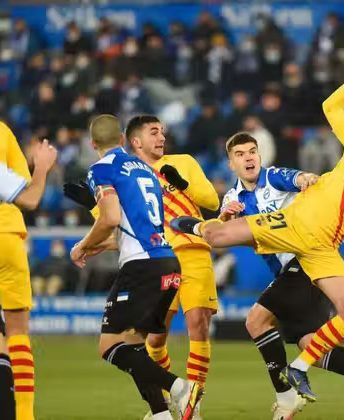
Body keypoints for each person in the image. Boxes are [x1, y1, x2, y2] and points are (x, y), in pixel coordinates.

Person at [171, 62, 344, 418]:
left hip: (321, 250)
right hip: (294, 225)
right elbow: (331, 107)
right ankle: (188, 225)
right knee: (217, 234)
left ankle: (300, 372)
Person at [219, 132, 344, 419]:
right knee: (312, 348)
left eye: (252, 151)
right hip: (291, 271)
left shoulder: (273, 177)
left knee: (256, 320)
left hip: (306, 257)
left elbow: (296, 178)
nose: (249, 157)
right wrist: (226, 218)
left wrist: (305, 179)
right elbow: (226, 230)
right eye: (241, 154)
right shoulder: (232, 198)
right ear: (231, 164)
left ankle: (285, 399)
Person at [68, 114, 197, 420]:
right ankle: (160, 414)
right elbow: (138, 226)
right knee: (135, 345)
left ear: (92, 144)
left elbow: (110, 218)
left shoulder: (101, 168)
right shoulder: (145, 170)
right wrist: (104, 245)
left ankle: (179, 387)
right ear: (124, 140)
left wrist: (82, 245)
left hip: (142, 267)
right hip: (166, 262)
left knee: (109, 346)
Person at [126, 115, 219, 419]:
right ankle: (166, 400)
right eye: (154, 132)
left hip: (193, 252)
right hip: (157, 259)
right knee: (154, 338)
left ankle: (194, 404)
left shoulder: (184, 161)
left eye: (163, 132)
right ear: (136, 141)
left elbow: (211, 201)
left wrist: (181, 182)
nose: (161, 137)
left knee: (198, 324)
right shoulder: (129, 174)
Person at [0, 121, 58, 420]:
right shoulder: (2, 131)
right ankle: (23, 416)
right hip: (5, 237)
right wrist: (42, 166)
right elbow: (31, 197)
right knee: (17, 333)